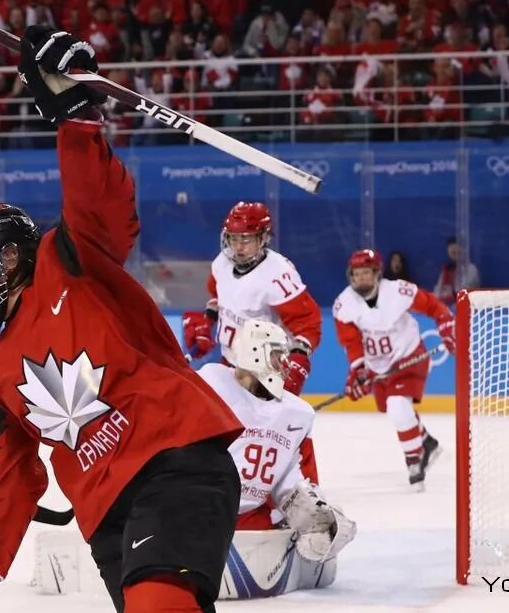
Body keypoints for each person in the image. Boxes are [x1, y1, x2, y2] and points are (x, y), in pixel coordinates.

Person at [0, 26, 243, 613]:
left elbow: (103, 204)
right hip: (105, 516)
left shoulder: (64, 259)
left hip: (171, 461)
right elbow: (13, 477)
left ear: (13, 253)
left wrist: (74, 113)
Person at [197, 320, 355, 598]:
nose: (284, 363)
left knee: (319, 542)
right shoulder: (212, 384)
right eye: (276, 354)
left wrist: (309, 509)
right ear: (254, 352)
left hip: (251, 517)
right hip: (200, 506)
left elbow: (286, 475)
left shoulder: (296, 413)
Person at [333, 249, 455, 490]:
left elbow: (433, 305)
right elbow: (351, 343)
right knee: (397, 410)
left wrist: (447, 324)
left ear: (377, 273)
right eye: (356, 274)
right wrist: (358, 372)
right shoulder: (344, 304)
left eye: (366, 273)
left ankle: (415, 459)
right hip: (379, 367)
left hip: (409, 356)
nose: (361, 279)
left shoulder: (398, 291)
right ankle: (426, 442)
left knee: (398, 406)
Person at [183, 202, 322, 398]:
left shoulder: (279, 275)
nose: (238, 247)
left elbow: (308, 323)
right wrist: (207, 321)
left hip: (264, 375)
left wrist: (298, 358)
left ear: (262, 238)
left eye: (246, 240)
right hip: (229, 363)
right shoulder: (221, 264)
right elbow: (218, 298)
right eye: (233, 238)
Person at [432, 236, 480, 306]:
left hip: (465, 306)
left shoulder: (471, 269)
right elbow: (438, 292)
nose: (452, 249)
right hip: (448, 306)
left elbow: (466, 291)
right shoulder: (446, 269)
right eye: (450, 248)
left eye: (456, 247)